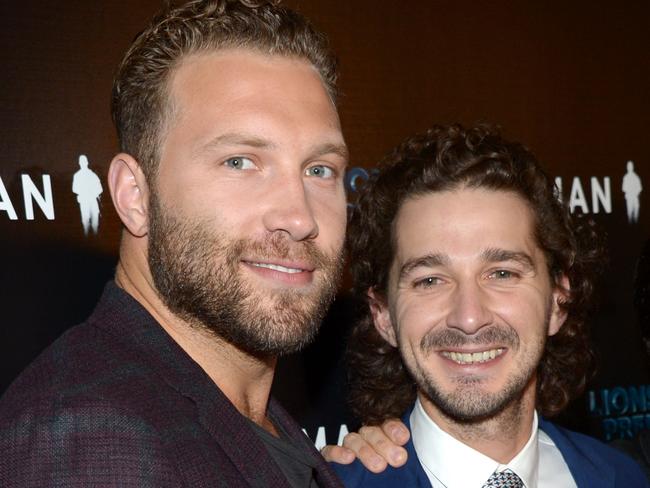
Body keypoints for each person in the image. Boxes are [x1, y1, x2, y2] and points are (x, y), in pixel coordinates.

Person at [0, 0, 356, 485]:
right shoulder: (92, 437)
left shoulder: (250, 419)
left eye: (320, 170)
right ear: (134, 195)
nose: (299, 217)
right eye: (240, 162)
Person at [331, 124, 648, 487]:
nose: (468, 317)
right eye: (430, 280)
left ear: (558, 301)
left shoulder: (623, 477)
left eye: (501, 273)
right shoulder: (335, 483)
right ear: (383, 315)